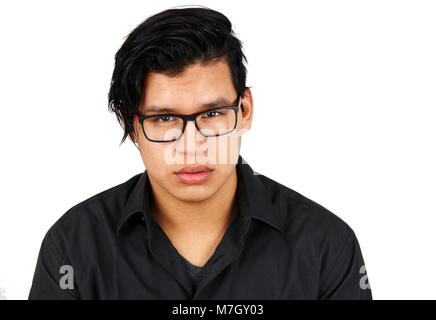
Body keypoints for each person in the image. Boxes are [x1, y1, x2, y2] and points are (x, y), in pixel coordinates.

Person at [28, 5, 372, 300]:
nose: (191, 146)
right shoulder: (74, 245)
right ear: (131, 125)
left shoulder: (326, 243)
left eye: (212, 114)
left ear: (245, 110)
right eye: (164, 118)